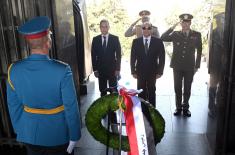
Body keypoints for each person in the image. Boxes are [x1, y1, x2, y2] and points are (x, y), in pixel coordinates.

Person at [6, 16, 81, 155]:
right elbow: (70, 107)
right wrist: (75, 135)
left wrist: (21, 130)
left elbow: (13, 104)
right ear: (48, 42)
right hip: (58, 136)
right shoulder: (62, 70)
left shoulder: (13, 69)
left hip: (30, 134)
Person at [161, 13, 202, 117]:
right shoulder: (175, 34)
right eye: (183, 22)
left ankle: (186, 108)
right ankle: (178, 107)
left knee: (187, 88)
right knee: (177, 87)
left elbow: (199, 50)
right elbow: (162, 37)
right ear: (180, 23)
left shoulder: (196, 35)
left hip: (190, 66)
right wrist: (172, 27)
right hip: (177, 66)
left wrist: (197, 66)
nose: (185, 24)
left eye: (187, 22)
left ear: (190, 23)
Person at [130, 21, 165, 107]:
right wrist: (133, 71)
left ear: (151, 29)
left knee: (152, 91)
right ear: (141, 30)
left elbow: (162, 58)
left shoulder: (158, 42)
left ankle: (153, 111)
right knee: (141, 92)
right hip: (140, 72)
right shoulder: (136, 42)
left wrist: (160, 72)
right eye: (144, 28)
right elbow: (133, 58)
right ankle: (142, 111)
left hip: (153, 72)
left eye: (148, 28)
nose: (146, 30)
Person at [91, 19, 121, 96]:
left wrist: (118, 69)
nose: (104, 28)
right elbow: (93, 55)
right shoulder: (95, 39)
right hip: (100, 70)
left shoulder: (115, 39)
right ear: (100, 28)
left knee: (113, 91)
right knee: (102, 91)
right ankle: (104, 107)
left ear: (108, 27)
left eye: (106, 26)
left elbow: (118, 55)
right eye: (102, 27)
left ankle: (113, 108)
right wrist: (95, 70)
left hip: (112, 69)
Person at [208, 12, 225, 118]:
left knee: (223, 86)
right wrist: (210, 67)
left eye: (223, 20)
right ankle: (211, 108)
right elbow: (210, 51)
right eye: (220, 20)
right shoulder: (213, 33)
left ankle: (219, 106)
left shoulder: (229, 33)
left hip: (226, 64)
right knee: (213, 86)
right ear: (217, 21)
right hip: (215, 64)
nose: (221, 22)